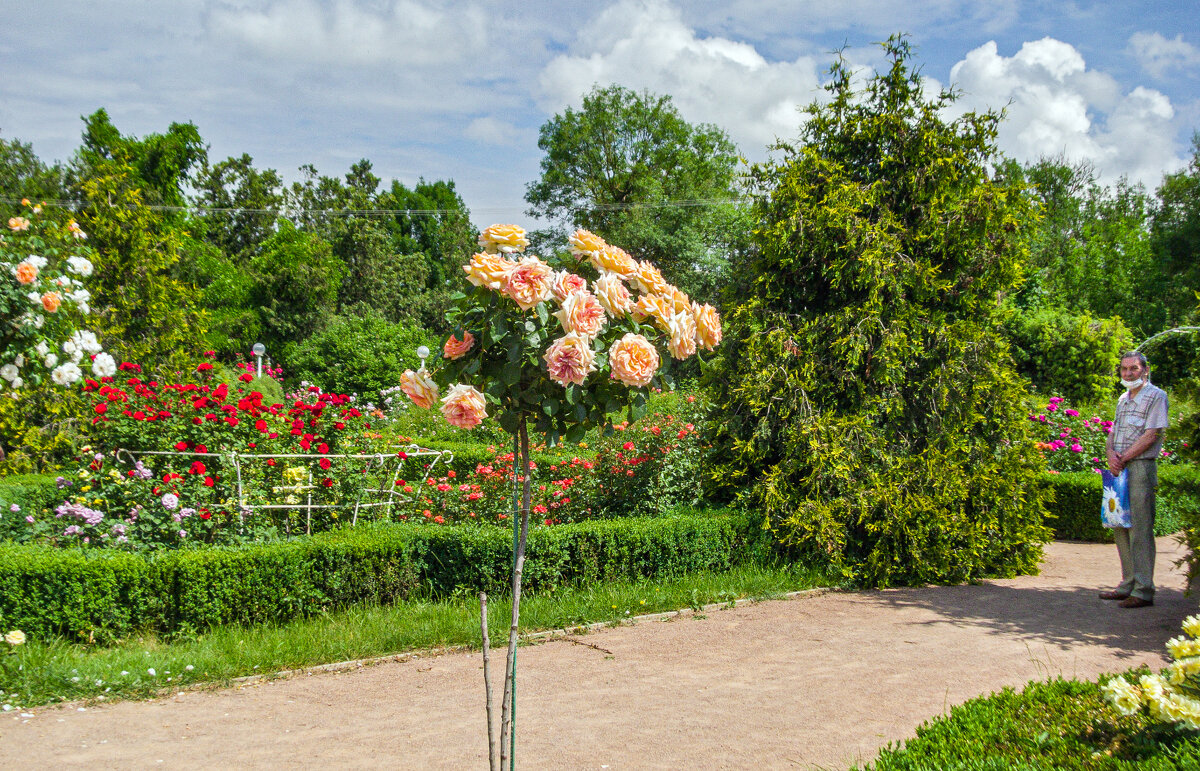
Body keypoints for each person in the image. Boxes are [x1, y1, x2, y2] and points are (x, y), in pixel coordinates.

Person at [1099, 351, 1169, 608]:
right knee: (1120, 524)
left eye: (1133, 368)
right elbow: (1114, 430)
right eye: (1124, 369)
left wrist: (1124, 457)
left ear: (1145, 370)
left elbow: (1152, 434)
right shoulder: (1122, 398)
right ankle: (1127, 583)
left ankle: (1143, 589)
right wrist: (1110, 454)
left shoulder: (1156, 396)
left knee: (1140, 528)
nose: (1128, 373)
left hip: (1139, 467)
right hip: (1120, 468)